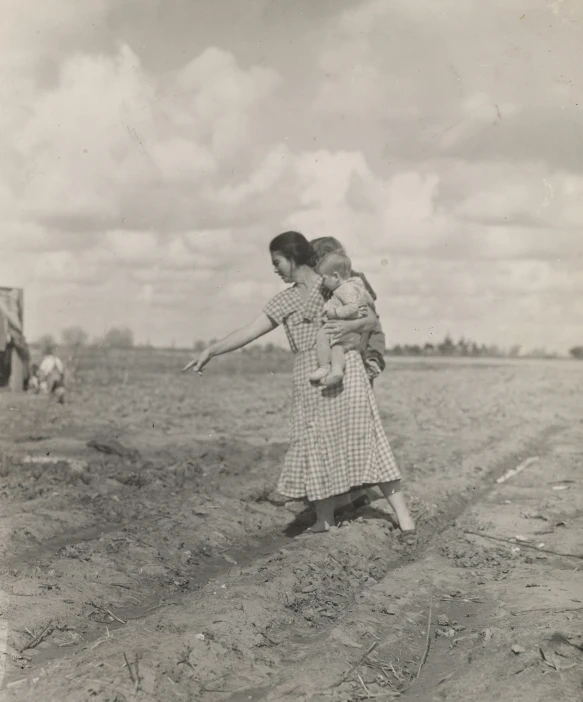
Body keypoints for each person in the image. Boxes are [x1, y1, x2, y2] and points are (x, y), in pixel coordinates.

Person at [183, 231, 415, 537]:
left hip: (346, 369)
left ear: (292, 258)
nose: (275, 269)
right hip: (309, 377)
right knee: (314, 444)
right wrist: (211, 351)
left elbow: (370, 319)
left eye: (277, 262)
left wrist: (346, 327)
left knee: (368, 440)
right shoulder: (285, 300)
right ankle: (325, 519)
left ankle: (403, 516)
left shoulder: (332, 282)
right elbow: (249, 331)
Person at [311, 237, 386, 387]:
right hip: (345, 335)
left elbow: (370, 315)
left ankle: (373, 358)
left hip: (357, 332)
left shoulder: (354, 279)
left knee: (373, 336)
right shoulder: (325, 283)